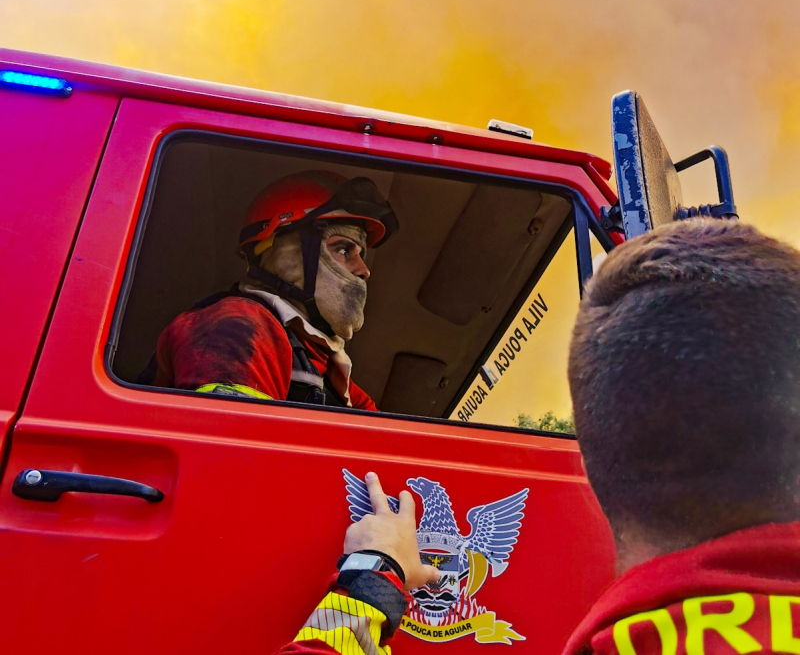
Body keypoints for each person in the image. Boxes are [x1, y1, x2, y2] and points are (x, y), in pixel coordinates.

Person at [275, 218, 800, 655]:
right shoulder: (247, 327)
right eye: (345, 250)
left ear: (595, 465)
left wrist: (372, 576)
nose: (363, 270)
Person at [147, 170, 399, 410]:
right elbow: (230, 448)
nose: (364, 270)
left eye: (361, 253)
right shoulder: (236, 328)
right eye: (343, 250)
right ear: (288, 255)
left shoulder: (326, 366)